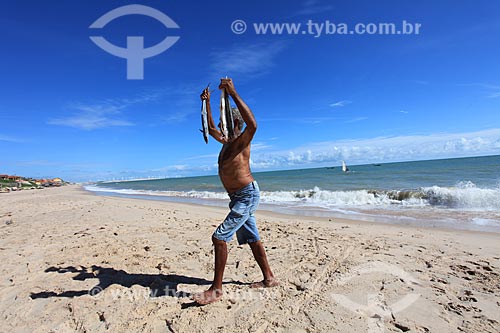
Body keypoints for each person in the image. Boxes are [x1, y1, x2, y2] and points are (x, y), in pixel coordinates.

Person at [193, 78, 279, 305]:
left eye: (226, 123)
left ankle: (216, 290)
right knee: (252, 238)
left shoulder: (242, 140)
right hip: (237, 198)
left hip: (247, 194)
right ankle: (269, 278)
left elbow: (254, 125)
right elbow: (210, 128)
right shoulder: (225, 141)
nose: (221, 127)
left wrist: (232, 92)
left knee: (219, 237)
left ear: (235, 123)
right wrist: (207, 102)